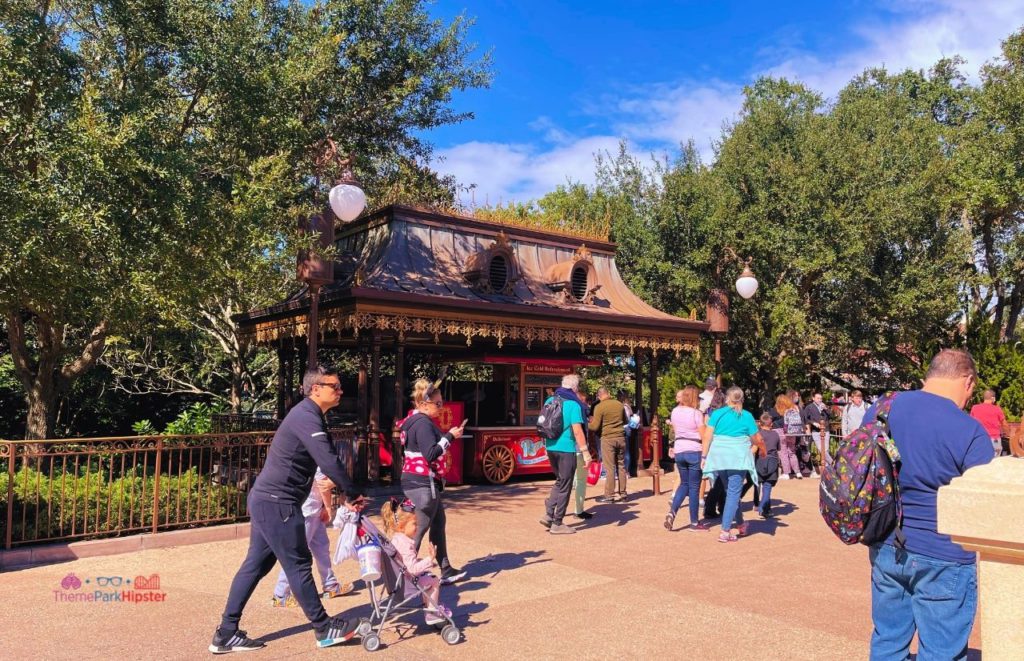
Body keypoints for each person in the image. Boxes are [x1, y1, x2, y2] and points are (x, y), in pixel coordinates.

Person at [210, 366, 364, 653]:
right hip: (277, 502)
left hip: (269, 500)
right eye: (335, 386)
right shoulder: (306, 415)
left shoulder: (311, 415)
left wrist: (341, 493)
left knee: (256, 565)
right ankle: (323, 627)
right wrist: (352, 492)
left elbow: (323, 462)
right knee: (298, 564)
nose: (340, 391)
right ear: (315, 388)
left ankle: (226, 633)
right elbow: (328, 460)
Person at [866, 349, 993, 660]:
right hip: (944, 551)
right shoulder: (968, 429)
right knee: (941, 651)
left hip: (886, 543)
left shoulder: (881, 409)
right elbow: (983, 500)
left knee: (887, 641)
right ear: (968, 381)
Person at [400, 378, 467, 585]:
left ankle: (445, 567)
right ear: (422, 403)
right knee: (418, 528)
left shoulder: (413, 421)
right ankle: (405, 571)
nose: (441, 407)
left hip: (421, 480)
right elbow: (430, 453)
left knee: (437, 523)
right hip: (422, 483)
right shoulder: (422, 423)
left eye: (441, 403)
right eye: (437, 404)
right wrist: (450, 437)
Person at [271, 468, 354, 608]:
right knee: (297, 554)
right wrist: (328, 508)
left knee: (322, 548)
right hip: (308, 512)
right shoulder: (317, 457)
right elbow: (323, 486)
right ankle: (280, 594)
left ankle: (330, 584)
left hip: (313, 510)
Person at [701, 386, 761, 543]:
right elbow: (756, 438)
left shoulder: (717, 414)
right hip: (737, 459)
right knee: (733, 494)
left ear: (728, 398)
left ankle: (740, 524)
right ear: (741, 399)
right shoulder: (746, 415)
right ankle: (725, 531)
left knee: (731, 493)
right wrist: (762, 450)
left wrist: (704, 456)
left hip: (720, 458)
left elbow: (707, 436)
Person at [380, 497, 452, 625]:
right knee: (434, 581)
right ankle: (432, 612)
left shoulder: (397, 539)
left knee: (428, 575)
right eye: (414, 524)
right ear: (401, 526)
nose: (417, 527)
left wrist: (425, 562)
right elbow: (412, 569)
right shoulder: (405, 545)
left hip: (399, 581)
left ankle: (429, 605)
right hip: (407, 583)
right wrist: (430, 558)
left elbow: (406, 563)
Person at [540, 374, 595, 535]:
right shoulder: (574, 405)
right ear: (575, 388)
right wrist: (586, 453)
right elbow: (577, 431)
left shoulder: (549, 400)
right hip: (567, 448)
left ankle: (549, 514)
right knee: (566, 485)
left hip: (551, 446)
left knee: (559, 481)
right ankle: (557, 522)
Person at [665, 386, 710, 531]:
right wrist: (705, 454)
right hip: (694, 450)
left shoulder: (675, 411)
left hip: (680, 449)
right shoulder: (696, 414)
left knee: (684, 484)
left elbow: (676, 430)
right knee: (694, 488)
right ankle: (694, 522)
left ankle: (672, 512)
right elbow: (704, 436)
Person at [590, 386, 628, 503]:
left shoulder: (599, 407)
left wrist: (586, 424)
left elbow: (595, 427)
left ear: (599, 396)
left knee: (610, 467)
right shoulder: (619, 404)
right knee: (621, 466)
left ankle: (609, 495)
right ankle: (623, 494)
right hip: (621, 438)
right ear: (608, 393)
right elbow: (625, 421)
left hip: (608, 439)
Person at [969, 389, 1011, 457]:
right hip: (994, 440)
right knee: (995, 462)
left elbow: (970, 423)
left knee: (980, 462)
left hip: (979, 440)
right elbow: (1004, 424)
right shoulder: (997, 409)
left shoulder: (975, 408)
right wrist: (1009, 435)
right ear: (993, 398)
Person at [754, 413, 780, 518]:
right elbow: (778, 448)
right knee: (767, 486)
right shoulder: (775, 434)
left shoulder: (758, 434)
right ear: (771, 424)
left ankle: (764, 508)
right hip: (772, 460)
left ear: (760, 423)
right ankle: (763, 507)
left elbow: (754, 448)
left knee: (759, 484)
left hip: (760, 460)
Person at [773, 394, 801, 480]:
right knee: (792, 452)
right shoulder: (792, 409)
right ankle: (798, 472)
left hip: (780, 431)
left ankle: (786, 473)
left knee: (783, 452)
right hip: (792, 431)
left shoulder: (776, 410)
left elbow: (770, 417)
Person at [802, 392, 830, 477]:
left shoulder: (824, 407)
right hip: (816, 431)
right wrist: (813, 423)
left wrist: (826, 409)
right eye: (818, 398)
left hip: (826, 430)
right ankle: (833, 464)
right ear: (813, 398)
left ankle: (828, 469)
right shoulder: (809, 407)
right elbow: (805, 418)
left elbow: (831, 415)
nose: (820, 400)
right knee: (822, 449)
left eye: (821, 398)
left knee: (826, 450)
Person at [618, 390, 637, 479]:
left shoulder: (621, 407)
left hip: (622, 428)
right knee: (627, 450)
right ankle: (627, 471)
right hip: (629, 428)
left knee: (623, 451)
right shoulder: (628, 407)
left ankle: (623, 471)